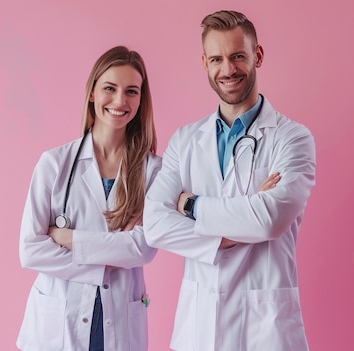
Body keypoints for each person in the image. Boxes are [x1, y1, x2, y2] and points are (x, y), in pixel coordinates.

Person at [143, 10, 316, 351]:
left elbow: (268, 219)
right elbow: (155, 225)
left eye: (238, 56)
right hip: (198, 329)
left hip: (265, 331)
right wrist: (231, 230)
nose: (228, 69)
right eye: (217, 58)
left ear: (258, 56)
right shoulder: (185, 140)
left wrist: (190, 205)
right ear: (204, 62)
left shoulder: (292, 138)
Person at [17, 46, 161, 351]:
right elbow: (31, 251)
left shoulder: (153, 171)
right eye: (110, 88)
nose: (120, 101)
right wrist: (106, 264)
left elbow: (142, 249)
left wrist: (69, 238)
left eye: (131, 91)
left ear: (140, 99)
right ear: (93, 93)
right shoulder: (55, 164)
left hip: (120, 323)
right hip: (58, 325)